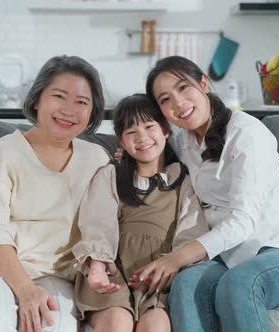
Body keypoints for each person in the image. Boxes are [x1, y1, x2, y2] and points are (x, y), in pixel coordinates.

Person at [129, 55, 279, 332]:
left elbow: (243, 221)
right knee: (185, 283)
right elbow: (152, 154)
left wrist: (176, 258)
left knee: (239, 283)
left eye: (183, 88)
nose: (178, 103)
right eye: (165, 99)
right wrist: (129, 154)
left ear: (204, 83)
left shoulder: (247, 134)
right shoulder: (183, 140)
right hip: (228, 257)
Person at [0, 55, 110, 332]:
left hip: (50, 271)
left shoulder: (97, 159)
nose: (68, 110)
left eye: (82, 102)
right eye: (59, 96)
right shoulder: (2, 153)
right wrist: (25, 290)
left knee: (57, 325)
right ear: (38, 99)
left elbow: (109, 219)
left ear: (92, 112)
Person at [72, 94, 208, 332]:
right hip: (111, 272)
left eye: (149, 126)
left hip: (157, 278)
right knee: (117, 323)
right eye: (131, 132)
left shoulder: (183, 180)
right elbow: (97, 223)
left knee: (156, 326)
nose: (142, 137)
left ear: (165, 130)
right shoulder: (110, 175)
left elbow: (191, 232)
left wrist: (173, 269)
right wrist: (97, 267)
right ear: (122, 142)